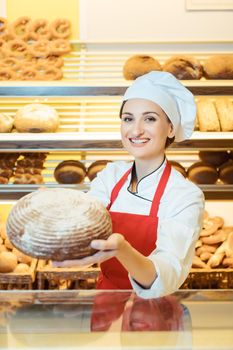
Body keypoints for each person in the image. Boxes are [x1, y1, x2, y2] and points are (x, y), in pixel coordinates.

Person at [53, 71, 205, 298]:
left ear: (171, 128)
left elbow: (168, 273)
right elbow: (84, 221)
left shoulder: (184, 195)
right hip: (106, 305)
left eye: (150, 118)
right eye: (128, 118)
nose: (135, 130)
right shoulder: (111, 175)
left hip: (155, 312)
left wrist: (122, 250)